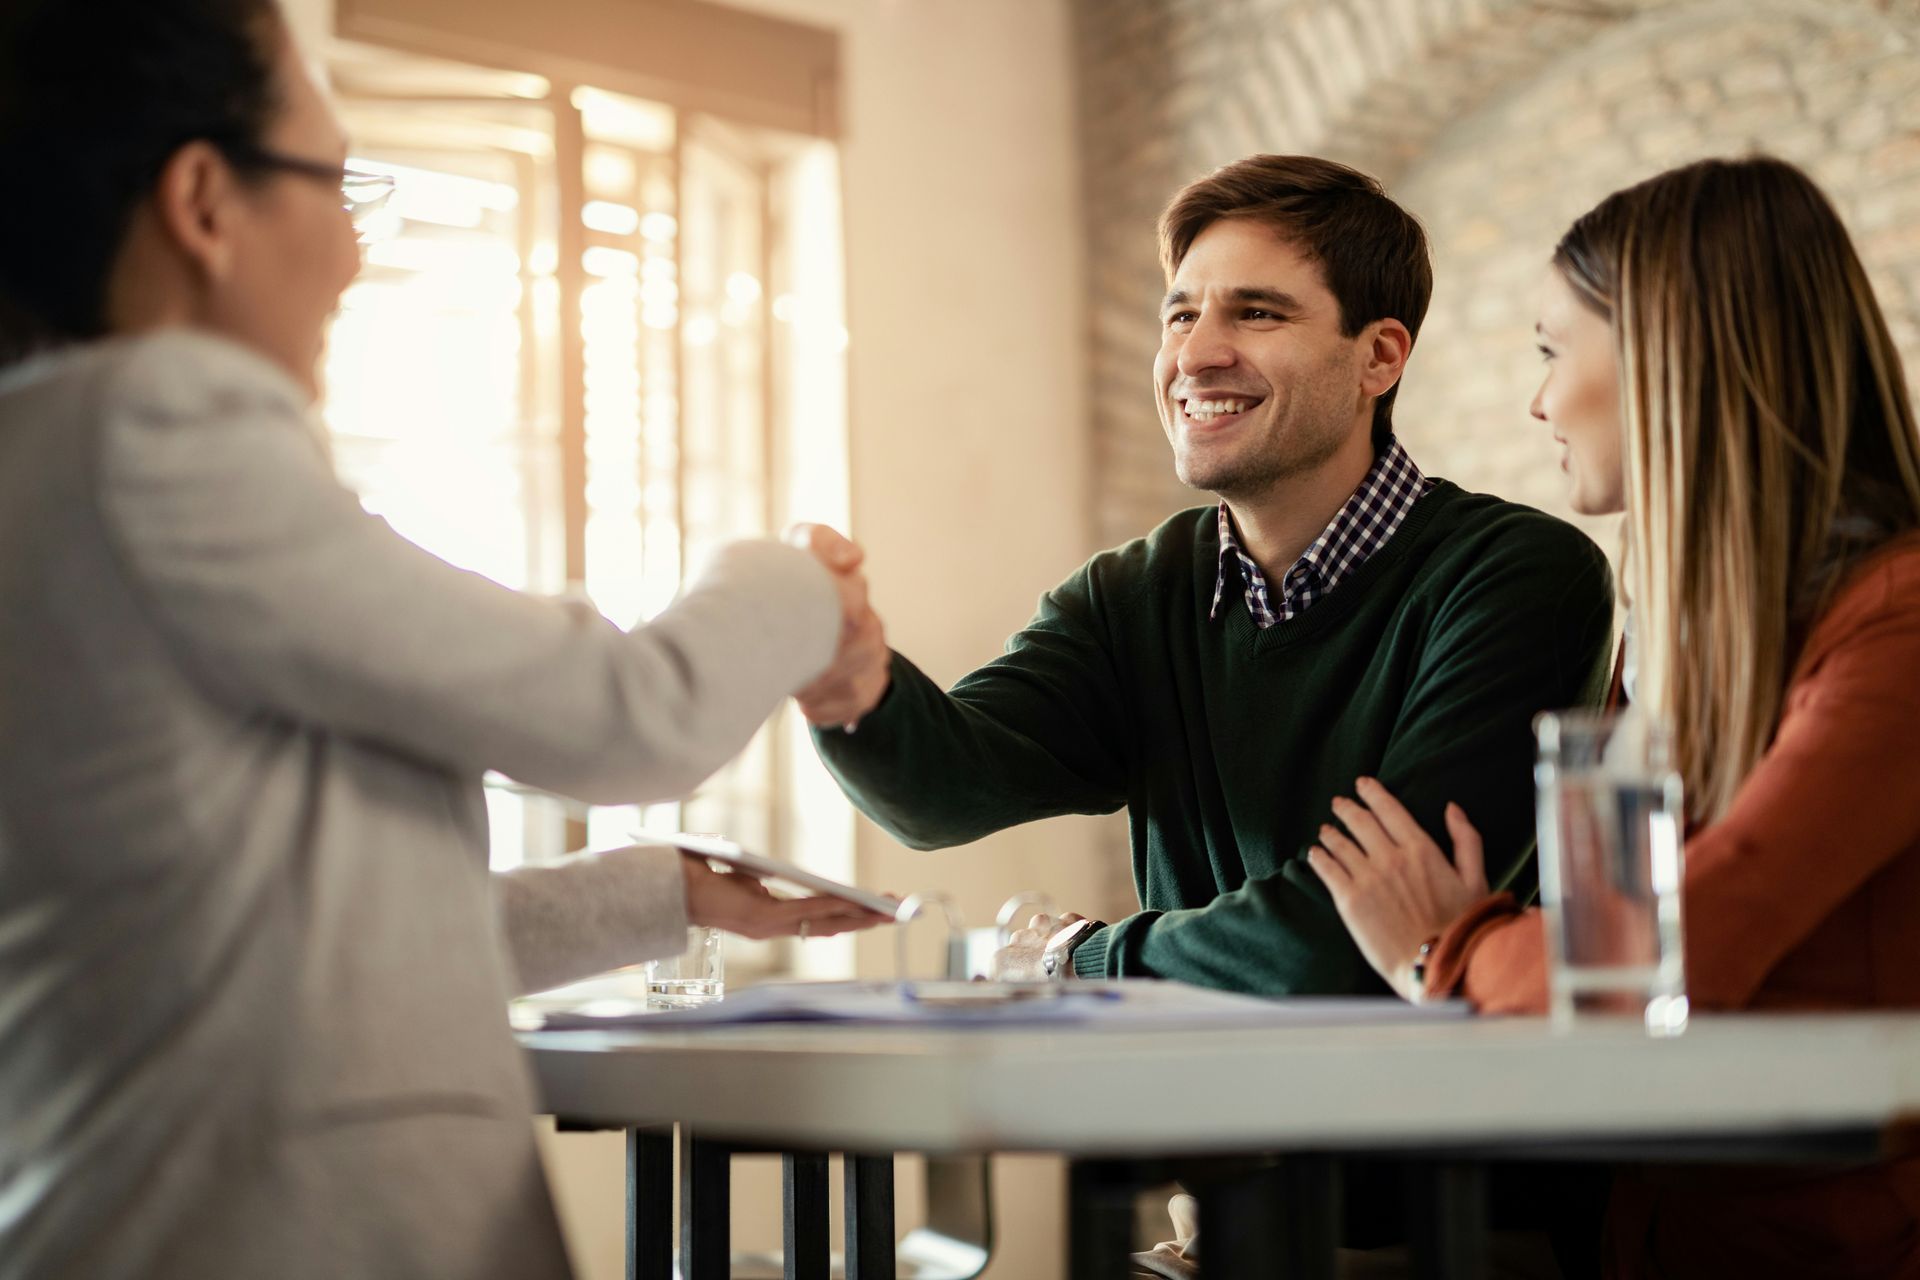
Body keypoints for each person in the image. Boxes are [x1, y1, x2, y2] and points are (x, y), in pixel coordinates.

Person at [0, 2, 887, 1277]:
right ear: (204, 201)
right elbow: (627, 713)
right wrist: (799, 581)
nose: (356, 252)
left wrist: (667, 892)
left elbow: (309, 946)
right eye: (334, 181)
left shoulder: (51, 458)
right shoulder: (156, 432)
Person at [800, 153, 1617, 996]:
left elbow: (1348, 945)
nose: (1196, 355)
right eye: (1180, 315)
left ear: (1379, 357)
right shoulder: (1133, 595)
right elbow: (940, 790)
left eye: (1257, 313)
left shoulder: (1521, 580)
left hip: (1421, 1121)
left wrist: (1082, 955)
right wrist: (847, 683)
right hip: (1189, 1123)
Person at [1310, 155, 1920, 1277]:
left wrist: (1454, 941)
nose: (1538, 399)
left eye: (1552, 350)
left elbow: (1659, 961)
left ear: (1663, 351)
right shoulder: (1685, 634)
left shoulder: (1899, 621)